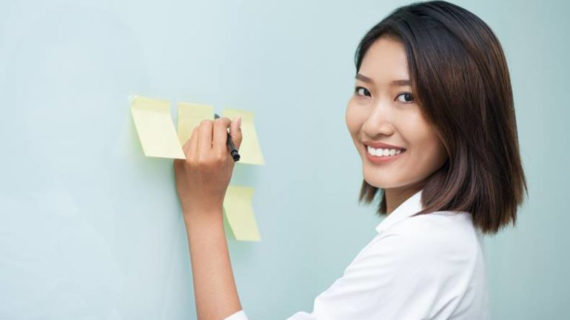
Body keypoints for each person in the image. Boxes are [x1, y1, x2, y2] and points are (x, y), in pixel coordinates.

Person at [173, 0, 528, 319]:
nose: (373, 124)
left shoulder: (423, 249)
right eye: (364, 91)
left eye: (406, 97)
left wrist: (203, 213)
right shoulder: (446, 238)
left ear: (464, 117)